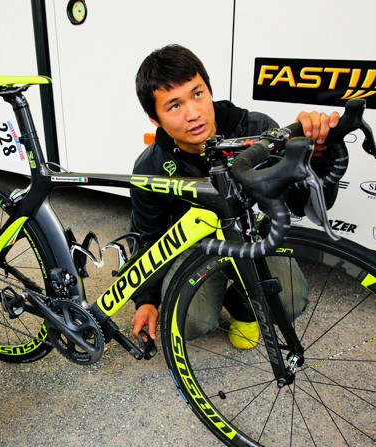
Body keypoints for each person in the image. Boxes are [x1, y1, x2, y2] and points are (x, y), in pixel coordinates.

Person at [129, 44, 340, 347]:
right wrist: (145, 300)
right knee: (186, 323)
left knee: (291, 298)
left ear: (210, 91)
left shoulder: (256, 129)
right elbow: (146, 237)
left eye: (198, 94)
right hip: (194, 250)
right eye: (174, 106)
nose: (193, 113)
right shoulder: (150, 166)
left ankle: (243, 308)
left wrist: (318, 156)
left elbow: (300, 203)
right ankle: (207, 298)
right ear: (155, 119)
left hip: (249, 235)